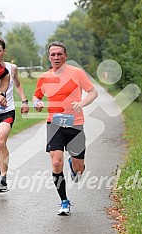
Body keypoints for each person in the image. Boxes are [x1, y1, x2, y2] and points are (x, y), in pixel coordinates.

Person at [32, 41, 98, 215]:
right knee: (55, 162)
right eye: (53, 54)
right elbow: (36, 96)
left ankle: (73, 164)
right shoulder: (44, 77)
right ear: (49, 57)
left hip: (75, 124)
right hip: (54, 124)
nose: (56, 57)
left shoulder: (76, 73)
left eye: (59, 54)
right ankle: (64, 201)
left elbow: (93, 92)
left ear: (65, 56)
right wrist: (37, 103)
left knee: (78, 169)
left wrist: (82, 103)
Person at [0, 37, 29, 192]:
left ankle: (4, 178)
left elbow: (18, 85)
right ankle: (1, 170)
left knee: (0, 143)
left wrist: (24, 101)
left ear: (4, 51)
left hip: (7, 110)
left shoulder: (11, 68)